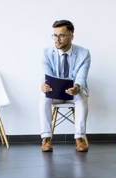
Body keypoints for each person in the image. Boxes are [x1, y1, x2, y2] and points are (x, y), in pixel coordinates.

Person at [40, 20, 91, 152]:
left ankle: (79, 138)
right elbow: (47, 75)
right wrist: (44, 86)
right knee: (43, 97)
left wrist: (77, 87)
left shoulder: (84, 53)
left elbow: (81, 76)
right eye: (55, 35)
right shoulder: (46, 53)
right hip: (54, 92)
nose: (57, 39)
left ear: (71, 36)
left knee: (82, 98)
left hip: (73, 92)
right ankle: (46, 138)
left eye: (61, 35)